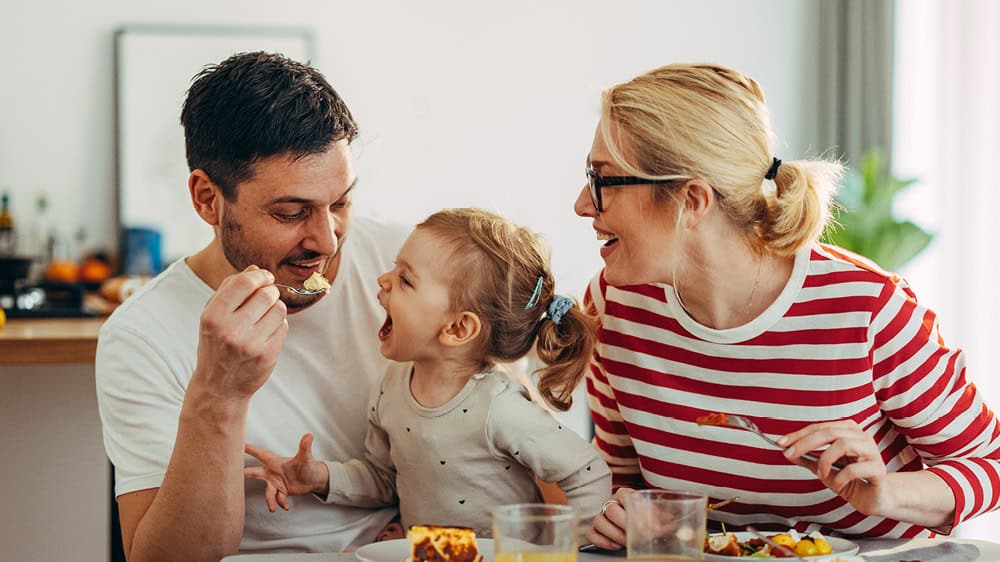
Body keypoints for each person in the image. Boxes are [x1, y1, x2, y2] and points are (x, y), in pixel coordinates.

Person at [576, 62, 1000, 546]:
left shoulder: (865, 307)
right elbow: (619, 478)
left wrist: (888, 494)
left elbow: (990, 462)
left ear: (691, 200)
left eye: (602, 181)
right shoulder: (612, 306)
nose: (583, 205)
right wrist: (614, 511)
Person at [95, 52, 411, 559]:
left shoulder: (409, 265)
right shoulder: (141, 334)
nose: (327, 241)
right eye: (291, 213)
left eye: (341, 203)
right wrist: (220, 393)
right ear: (207, 200)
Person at [243, 208, 612, 537]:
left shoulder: (499, 408)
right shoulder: (391, 386)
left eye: (406, 280)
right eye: (394, 267)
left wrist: (570, 549)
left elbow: (588, 473)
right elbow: (385, 479)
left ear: (457, 330)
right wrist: (319, 477)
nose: (383, 280)